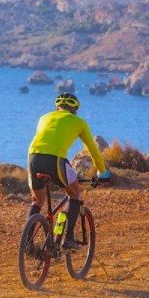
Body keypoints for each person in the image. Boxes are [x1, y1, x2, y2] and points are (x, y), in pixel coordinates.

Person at [26, 92, 110, 250]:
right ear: (75, 110)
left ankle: (28, 244)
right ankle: (68, 239)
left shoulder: (43, 118)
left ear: (57, 108)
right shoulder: (79, 122)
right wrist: (102, 174)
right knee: (74, 193)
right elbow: (93, 151)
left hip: (33, 157)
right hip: (55, 159)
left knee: (37, 201)